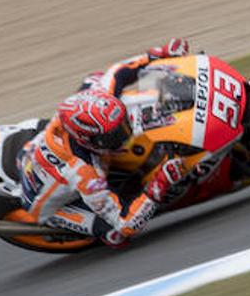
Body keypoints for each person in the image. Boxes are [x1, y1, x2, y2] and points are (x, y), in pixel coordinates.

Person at [15, 40, 195, 248]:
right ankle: (96, 231)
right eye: (112, 136)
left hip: (37, 151)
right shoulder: (85, 174)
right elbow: (125, 222)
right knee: (117, 235)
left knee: (97, 77)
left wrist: (158, 54)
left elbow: (118, 72)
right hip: (49, 205)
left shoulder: (94, 96)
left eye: (121, 127)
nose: (123, 134)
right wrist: (160, 183)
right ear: (87, 139)